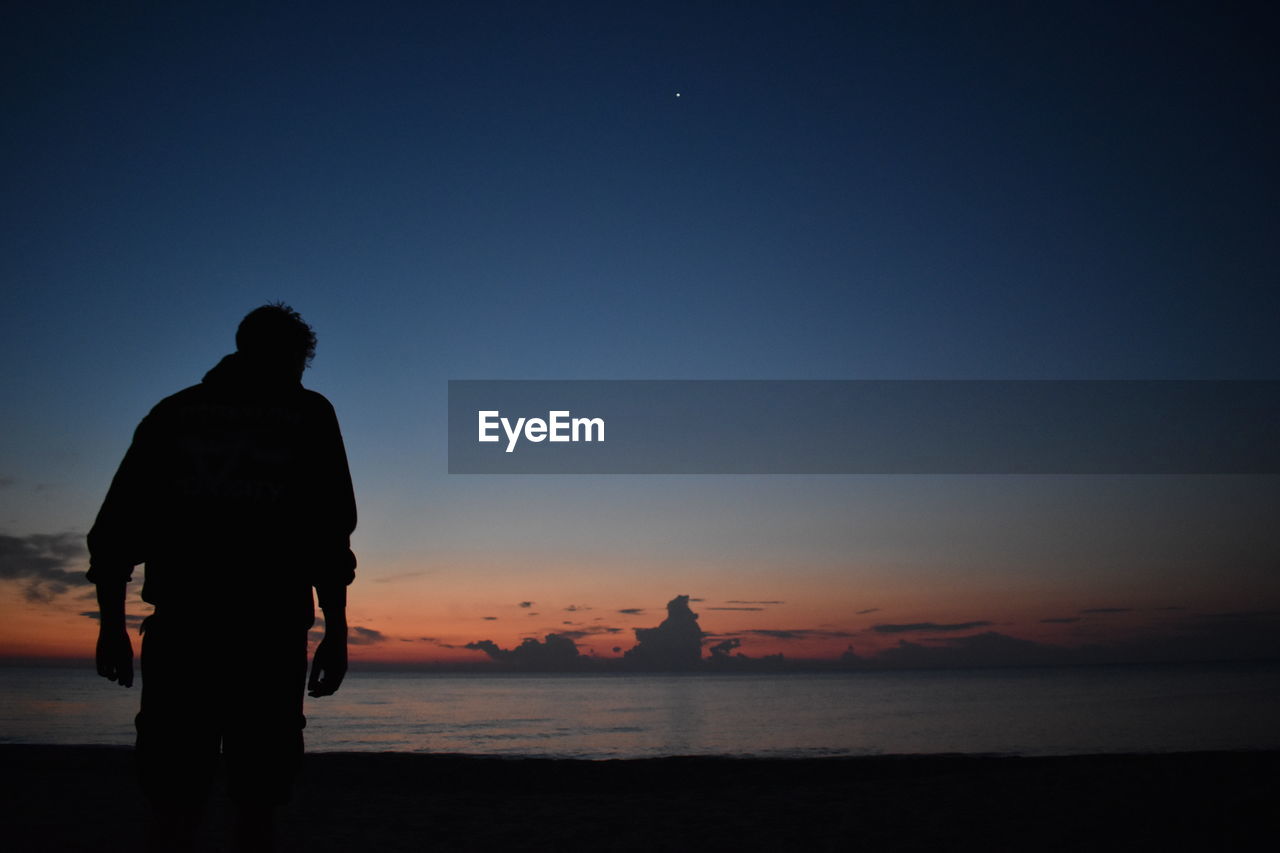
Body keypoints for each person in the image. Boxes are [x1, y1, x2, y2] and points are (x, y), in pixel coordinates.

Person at [88, 303, 357, 852]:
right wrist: (337, 630)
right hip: (264, 635)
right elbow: (329, 534)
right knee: (254, 799)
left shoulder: (173, 413)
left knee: (176, 798)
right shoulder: (309, 414)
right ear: (290, 358)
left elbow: (116, 531)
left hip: (190, 633)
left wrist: (112, 625)